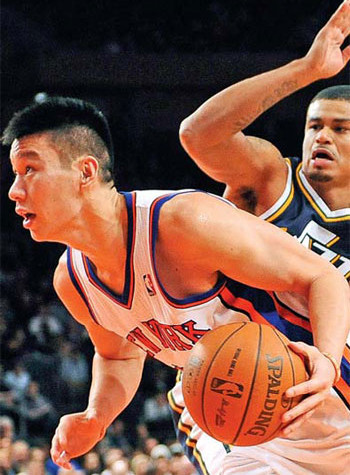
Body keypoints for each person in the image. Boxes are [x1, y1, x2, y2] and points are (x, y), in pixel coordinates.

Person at [2, 93, 349, 474]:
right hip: (236, 424)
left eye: (29, 170)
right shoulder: (72, 280)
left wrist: (329, 360)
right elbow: (118, 354)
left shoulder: (184, 223)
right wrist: (96, 416)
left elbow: (324, 277)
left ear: (85, 172)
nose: (14, 190)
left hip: (328, 391)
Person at [179, 1, 350, 283]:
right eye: (315, 126)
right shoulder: (272, 178)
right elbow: (198, 136)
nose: (322, 136)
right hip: (237, 324)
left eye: (341, 129)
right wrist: (307, 69)